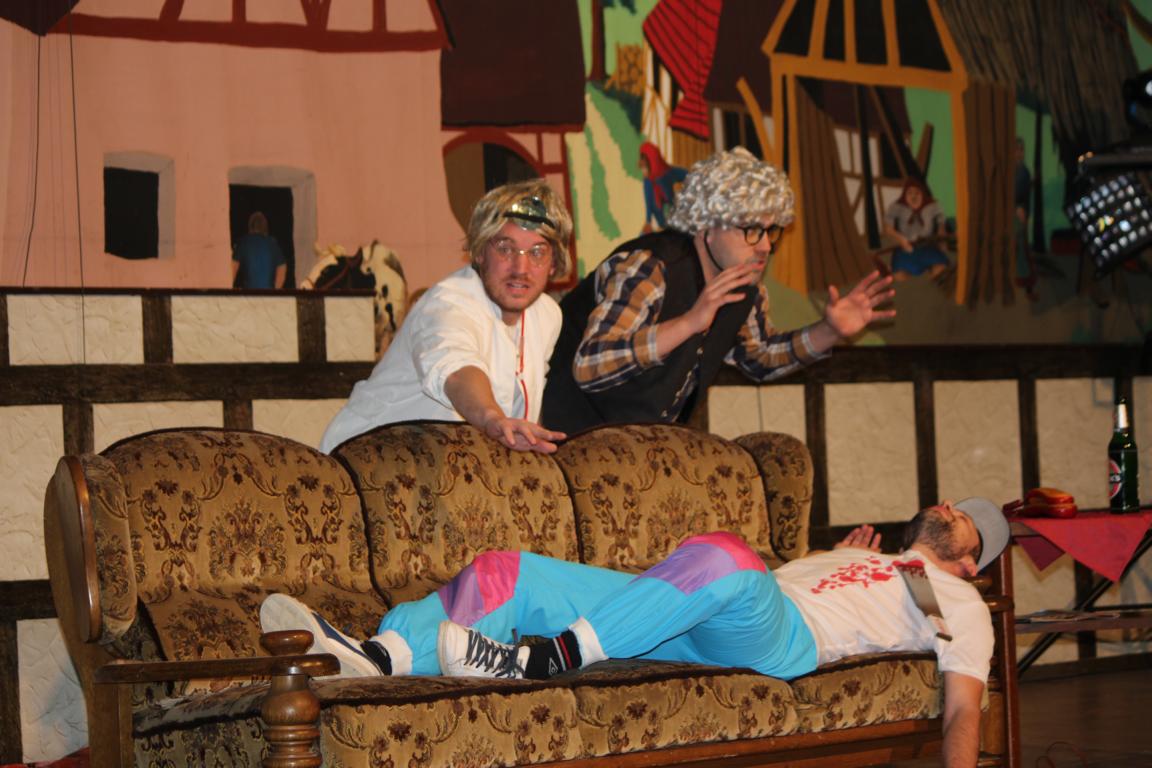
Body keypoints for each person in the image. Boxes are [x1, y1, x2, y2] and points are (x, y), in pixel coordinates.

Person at [261, 497, 1009, 767]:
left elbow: (964, 709)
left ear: (972, 562)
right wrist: (850, 560)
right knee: (508, 570)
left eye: (966, 519)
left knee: (726, 552)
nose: (949, 506)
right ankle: (379, 656)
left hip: (781, 641)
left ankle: (545, 660)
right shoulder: (870, 557)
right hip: (692, 615)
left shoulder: (961, 603)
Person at [539, 147, 895, 435]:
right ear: (707, 226)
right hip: (562, 441)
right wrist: (689, 322)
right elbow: (591, 365)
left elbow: (760, 357)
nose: (765, 247)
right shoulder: (648, 267)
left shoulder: (744, 288)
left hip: (635, 451)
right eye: (751, 230)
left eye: (771, 231)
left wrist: (830, 330)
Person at [318, 180, 571, 454]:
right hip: (365, 460)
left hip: (448, 466)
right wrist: (492, 418)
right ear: (479, 252)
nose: (521, 268)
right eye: (505, 248)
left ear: (554, 263)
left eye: (537, 252)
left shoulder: (547, 316)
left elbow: (525, 404)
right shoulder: (448, 304)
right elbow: (457, 371)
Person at [881, 178, 951, 281]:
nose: (913, 197)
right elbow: (888, 228)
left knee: (941, 270)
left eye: (917, 193)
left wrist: (942, 241)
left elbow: (941, 226)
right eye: (910, 193)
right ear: (905, 194)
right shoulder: (896, 207)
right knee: (899, 277)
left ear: (923, 194)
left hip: (928, 246)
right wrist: (901, 239)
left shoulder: (933, 206)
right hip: (906, 249)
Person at [639, 141, 688, 232]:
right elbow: (648, 201)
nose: (643, 169)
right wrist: (648, 221)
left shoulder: (665, 173)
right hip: (663, 223)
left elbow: (686, 174)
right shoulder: (648, 181)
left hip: (674, 219)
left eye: (645, 165)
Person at [232, 211, 287, 289]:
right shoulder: (273, 244)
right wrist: (276, 290)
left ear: (250, 226)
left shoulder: (243, 243)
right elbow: (282, 267)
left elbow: (233, 268)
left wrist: (231, 289)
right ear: (266, 227)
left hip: (249, 293)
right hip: (268, 293)